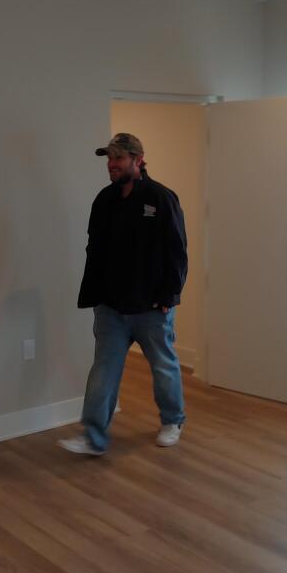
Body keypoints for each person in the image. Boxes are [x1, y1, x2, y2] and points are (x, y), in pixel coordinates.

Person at [58, 133, 188, 456]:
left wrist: (169, 295)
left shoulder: (160, 198)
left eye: (118, 158)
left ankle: (172, 421)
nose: (112, 165)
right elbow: (95, 249)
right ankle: (93, 436)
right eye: (109, 159)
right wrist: (97, 295)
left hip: (151, 307)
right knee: (104, 369)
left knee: (163, 366)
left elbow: (176, 251)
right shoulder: (104, 200)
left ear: (138, 160)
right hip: (111, 308)